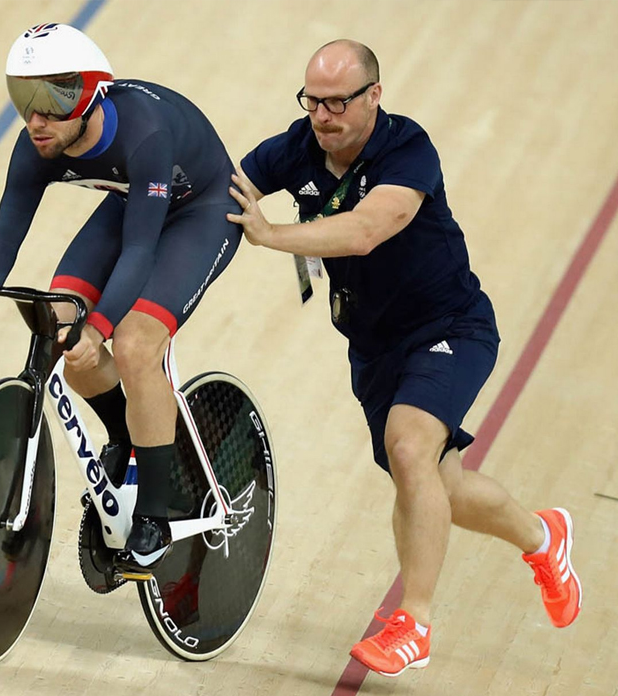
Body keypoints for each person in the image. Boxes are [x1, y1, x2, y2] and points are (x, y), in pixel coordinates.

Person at [228, 39, 582, 678]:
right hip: (373, 347)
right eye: (313, 101)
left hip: (449, 328)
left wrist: (273, 235)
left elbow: (365, 230)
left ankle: (411, 623)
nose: (324, 116)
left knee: (411, 448)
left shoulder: (408, 149)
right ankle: (542, 537)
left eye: (338, 102)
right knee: (438, 488)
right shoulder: (298, 146)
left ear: (374, 96)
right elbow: (230, 190)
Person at [0, 23, 243, 579]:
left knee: (135, 342)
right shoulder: (38, 146)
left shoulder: (143, 132)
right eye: (24, 98)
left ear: (93, 91)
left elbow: (142, 248)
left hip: (201, 210)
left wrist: (100, 327)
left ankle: (154, 514)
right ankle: (133, 440)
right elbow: (4, 237)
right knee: (60, 326)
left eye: (53, 99)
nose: (35, 119)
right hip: (133, 200)